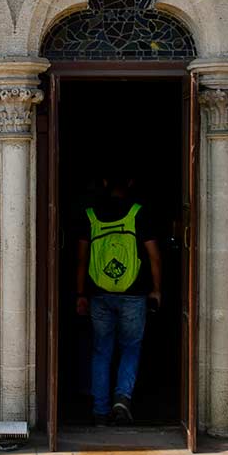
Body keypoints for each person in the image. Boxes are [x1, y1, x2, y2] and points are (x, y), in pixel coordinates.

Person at [75, 171, 161, 424]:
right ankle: (122, 398)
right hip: (134, 294)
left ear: (103, 182)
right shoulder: (138, 213)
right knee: (131, 347)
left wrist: (80, 294)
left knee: (101, 350)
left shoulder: (90, 215)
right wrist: (156, 289)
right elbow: (154, 256)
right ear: (131, 182)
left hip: (99, 294)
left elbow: (81, 260)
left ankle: (100, 411)